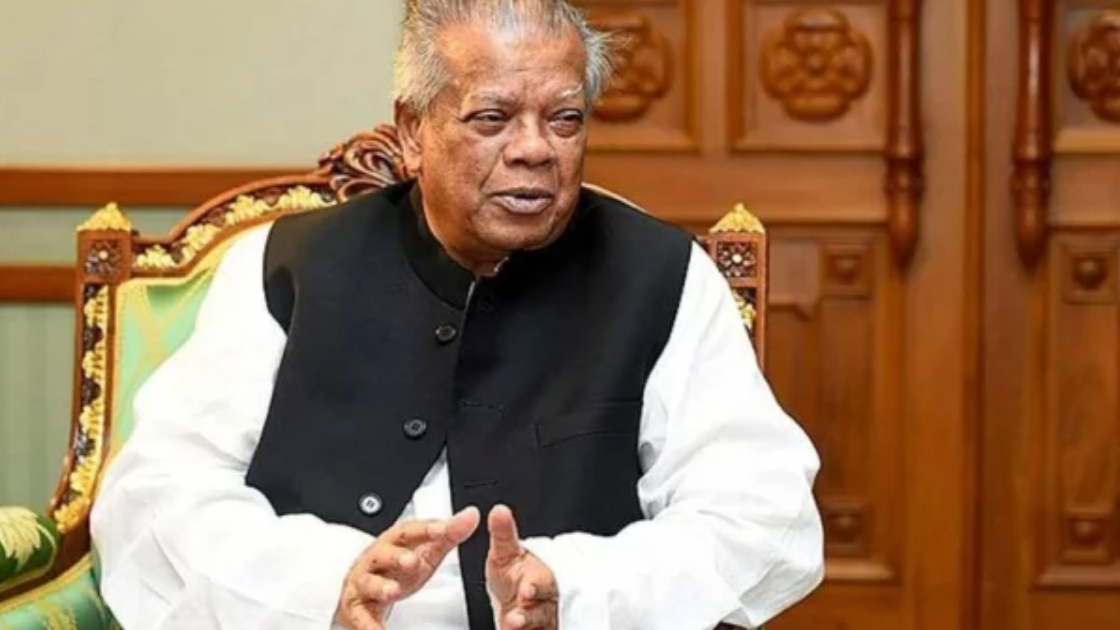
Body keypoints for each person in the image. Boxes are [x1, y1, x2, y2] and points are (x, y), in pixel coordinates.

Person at [89, 1, 824, 630]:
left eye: (565, 119)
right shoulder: (285, 265)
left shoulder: (661, 277)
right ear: (413, 132)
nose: (535, 149)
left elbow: (762, 516)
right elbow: (155, 496)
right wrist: (327, 582)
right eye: (493, 118)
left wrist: (575, 590)